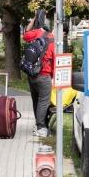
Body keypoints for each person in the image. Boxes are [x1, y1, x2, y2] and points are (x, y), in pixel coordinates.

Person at [23, 10, 54, 138]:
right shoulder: (51, 37)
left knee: (36, 100)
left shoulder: (35, 33)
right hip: (44, 74)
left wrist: (33, 18)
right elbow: (54, 56)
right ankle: (41, 127)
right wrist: (54, 76)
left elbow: (25, 34)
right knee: (43, 101)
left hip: (32, 74)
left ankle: (38, 125)